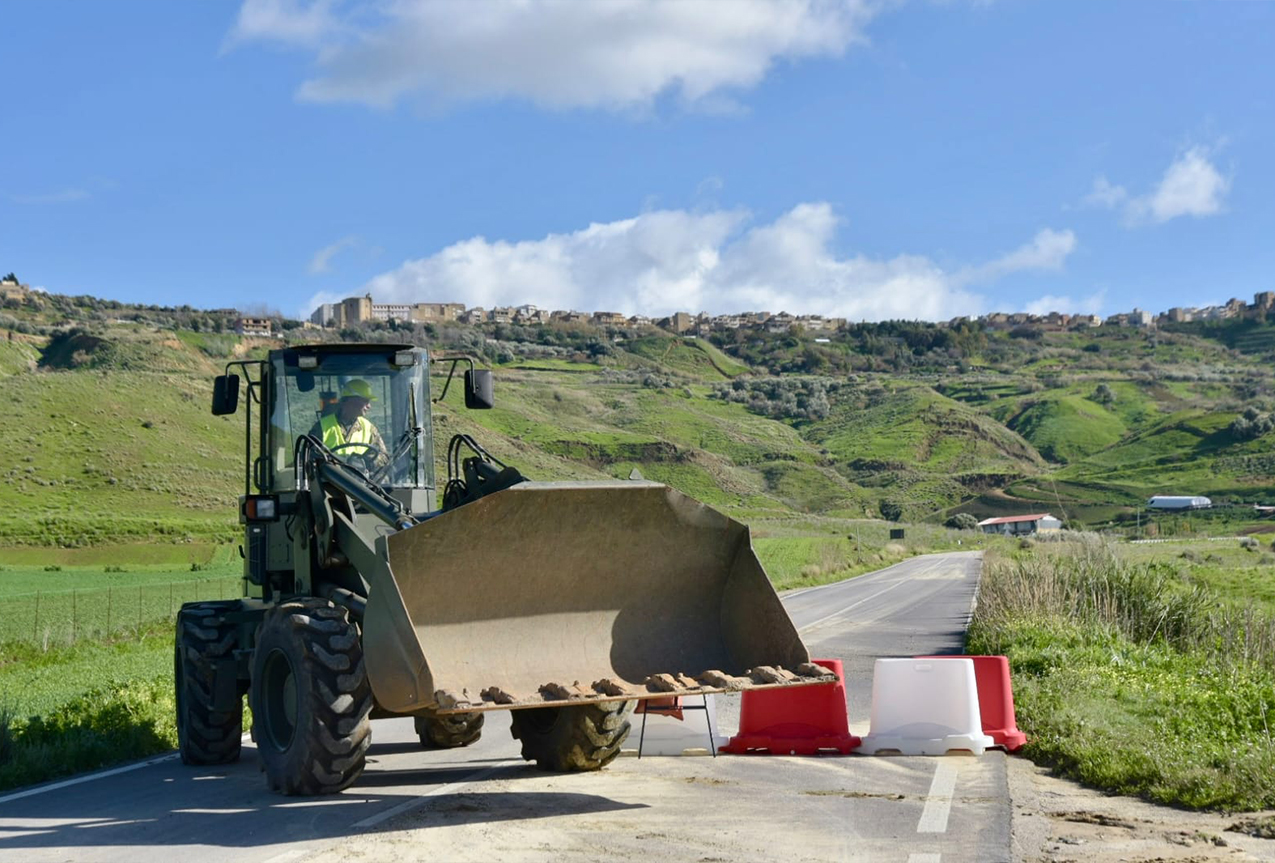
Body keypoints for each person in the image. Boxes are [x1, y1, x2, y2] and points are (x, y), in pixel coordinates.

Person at [310, 379, 389, 469]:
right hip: (329, 481)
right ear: (351, 400)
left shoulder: (369, 428)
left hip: (358, 482)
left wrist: (366, 463)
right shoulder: (322, 427)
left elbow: (384, 456)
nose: (369, 406)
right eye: (365, 401)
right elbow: (308, 456)